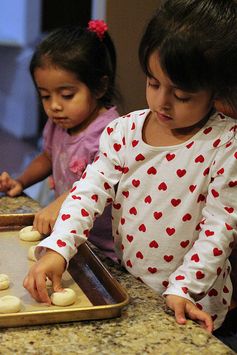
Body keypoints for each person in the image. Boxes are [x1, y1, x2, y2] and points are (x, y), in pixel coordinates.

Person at [23, 0, 237, 333]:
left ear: (215, 90)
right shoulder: (123, 131)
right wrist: (59, 247)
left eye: (181, 95)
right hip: (132, 286)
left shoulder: (225, 144)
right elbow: (88, 191)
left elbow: (220, 228)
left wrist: (183, 288)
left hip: (193, 302)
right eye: (153, 83)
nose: (161, 102)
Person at [0, 20, 120, 261]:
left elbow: (100, 186)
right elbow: (48, 156)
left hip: (104, 244)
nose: (54, 106)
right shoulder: (59, 123)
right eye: (45, 96)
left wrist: (60, 206)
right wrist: (21, 181)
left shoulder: (112, 131)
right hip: (68, 233)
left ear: (99, 87)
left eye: (67, 95)